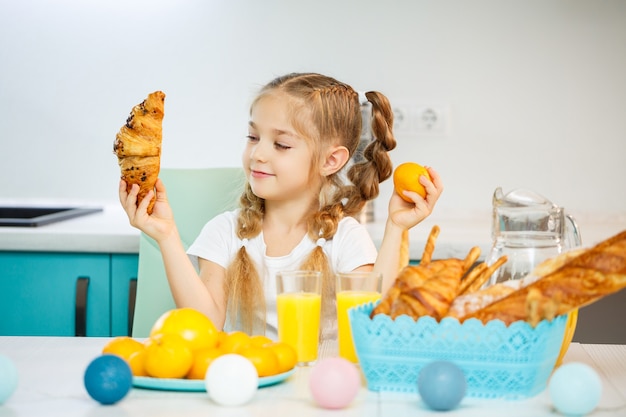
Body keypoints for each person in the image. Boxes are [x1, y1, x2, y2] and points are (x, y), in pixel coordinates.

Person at [119, 72, 443, 340]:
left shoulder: (343, 238)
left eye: (281, 144)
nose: (259, 154)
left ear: (331, 160)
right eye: (252, 137)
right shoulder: (225, 232)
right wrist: (167, 236)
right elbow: (205, 324)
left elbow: (371, 317)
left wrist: (396, 227)